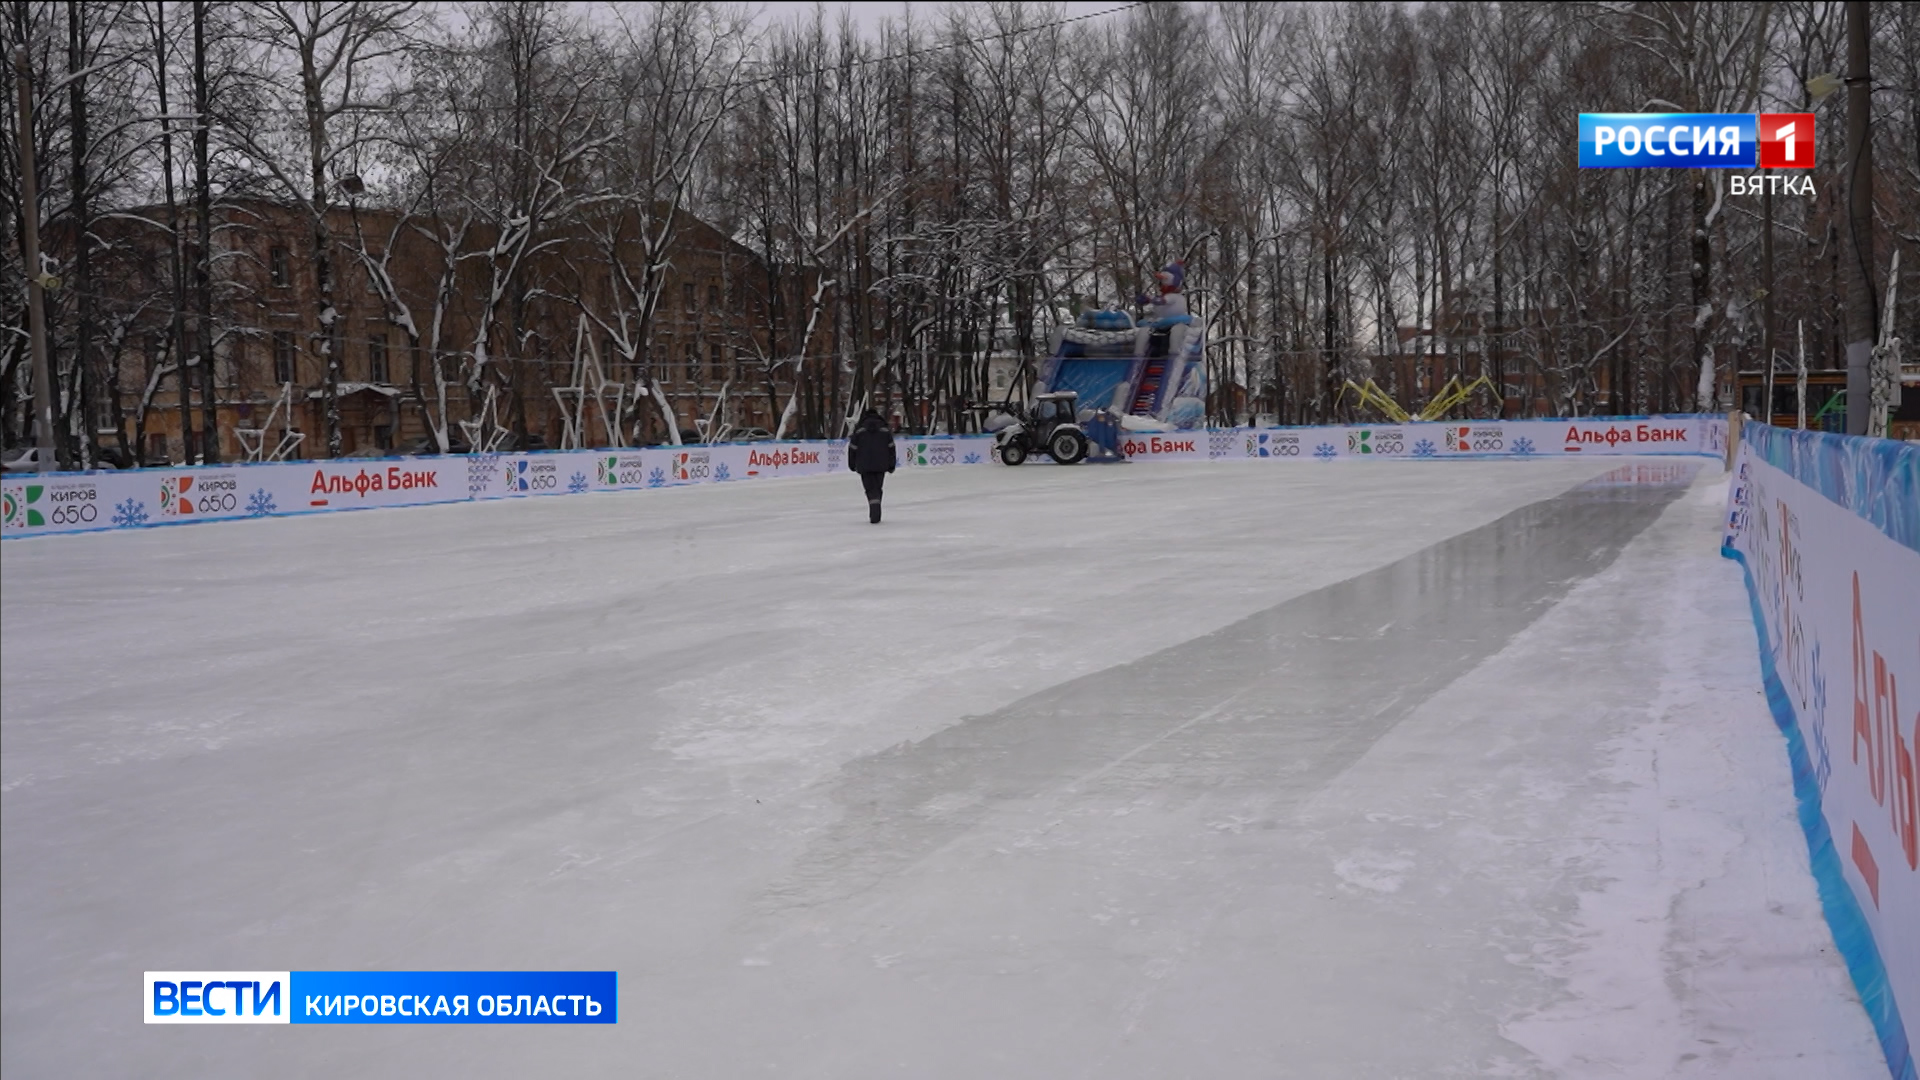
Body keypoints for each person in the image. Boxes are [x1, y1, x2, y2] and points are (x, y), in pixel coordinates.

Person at [846, 408, 897, 523]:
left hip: (864, 465)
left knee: (870, 489)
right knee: (877, 488)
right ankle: (876, 510)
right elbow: (891, 449)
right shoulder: (885, 430)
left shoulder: (859, 431)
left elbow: (852, 449)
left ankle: (874, 512)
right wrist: (891, 464)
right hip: (881, 465)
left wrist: (852, 464)